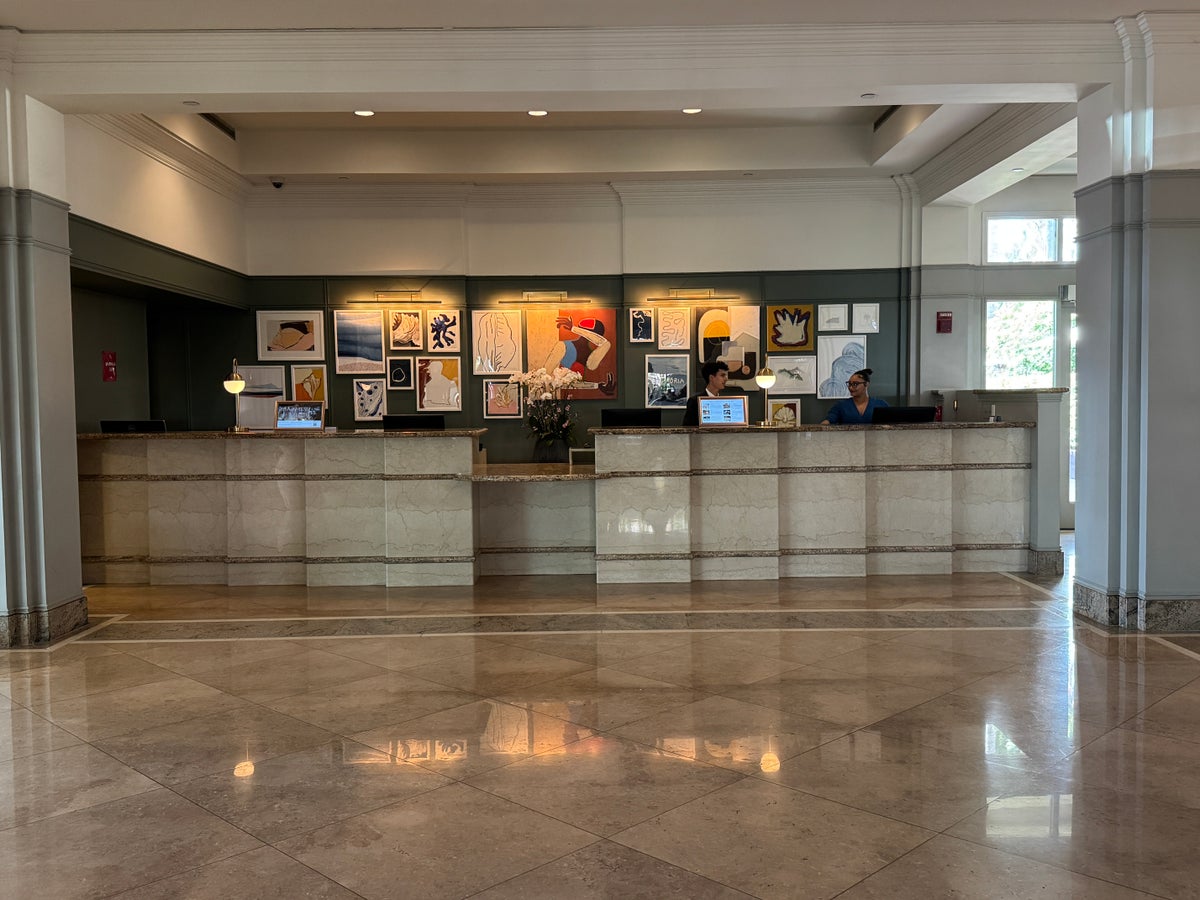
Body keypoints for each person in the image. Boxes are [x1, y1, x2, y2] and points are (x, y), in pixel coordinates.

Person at [821, 368, 888, 424]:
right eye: (849, 384)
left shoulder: (880, 404)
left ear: (866, 384)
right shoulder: (841, 405)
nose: (850, 387)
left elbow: (892, 424)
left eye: (855, 384)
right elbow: (829, 420)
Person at [682, 360, 730, 426]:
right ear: (711, 378)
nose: (726, 379)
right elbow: (688, 428)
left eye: (726, 375)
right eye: (722, 375)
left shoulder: (726, 402)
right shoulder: (694, 401)